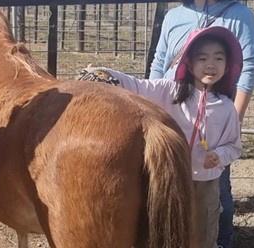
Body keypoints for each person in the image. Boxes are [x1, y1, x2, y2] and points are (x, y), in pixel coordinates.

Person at [83, 25, 243, 248]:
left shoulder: (226, 108)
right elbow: (138, 86)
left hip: (205, 184)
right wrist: (106, 73)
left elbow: (234, 146)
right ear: (189, 62)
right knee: (159, 231)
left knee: (203, 235)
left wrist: (219, 155)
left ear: (227, 65)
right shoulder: (170, 91)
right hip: (168, 179)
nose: (211, 64)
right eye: (202, 57)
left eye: (218, 58)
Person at [149, 0, 254, 248]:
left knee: (216, 185)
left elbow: (248, 68)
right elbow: (159, 63)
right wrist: (151, 112)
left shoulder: (240, 15)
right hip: (174, 109)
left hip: (216, 111)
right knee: (168, 180)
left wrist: (233, 119)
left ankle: (220, 241)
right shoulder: (173, 17)